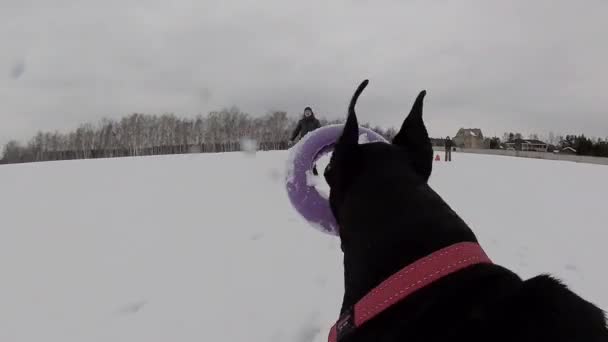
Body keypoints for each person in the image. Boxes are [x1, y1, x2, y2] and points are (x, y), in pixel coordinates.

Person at [289, 106, 322, 174]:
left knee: (312, 157)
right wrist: (291, 139)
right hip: (303, 142)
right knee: (302, 157)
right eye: (306, 112)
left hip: (312, 142)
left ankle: (314, 171)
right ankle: (302, 172)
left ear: (311, 113)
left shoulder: (316, 121)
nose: (307, 113)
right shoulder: (301, 122)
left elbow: (320, 131)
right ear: (304, 113)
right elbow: (296, 131)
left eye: (308, 112)